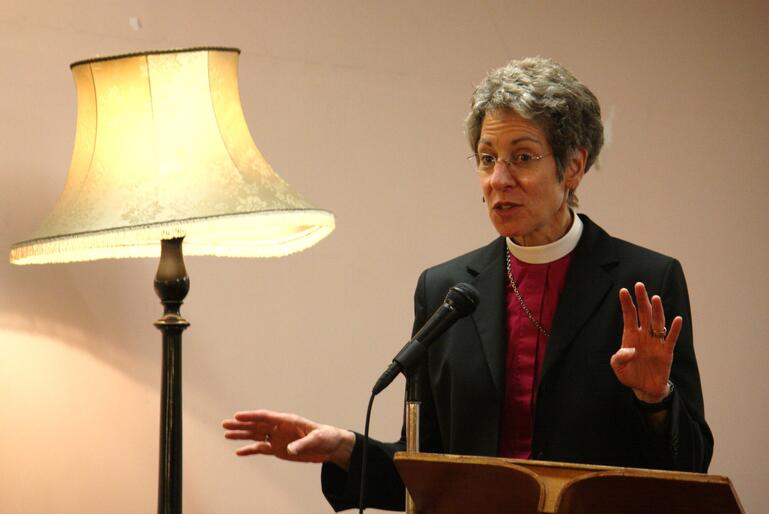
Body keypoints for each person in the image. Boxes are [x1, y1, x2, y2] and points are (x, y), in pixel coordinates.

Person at [223, 57, 713, 511]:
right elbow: (429, 472)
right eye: (485, 158)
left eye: (522, 157)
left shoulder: (644, 282)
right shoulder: (446, 291)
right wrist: (345, 449)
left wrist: (657, 398)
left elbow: (690, 467)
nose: (498, 179)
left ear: (574, 166)